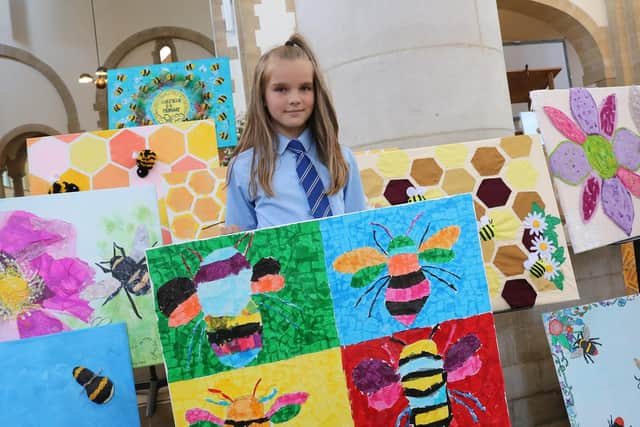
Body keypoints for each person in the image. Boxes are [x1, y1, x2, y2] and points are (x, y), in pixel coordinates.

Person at [223, 33, 366, 232]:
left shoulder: (342, 158)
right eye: (281, 89)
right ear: (262, 96)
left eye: (305, 88)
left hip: (340, 261)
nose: (294, 99)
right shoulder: (243, 168)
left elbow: (360, 227)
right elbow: (242, 245)